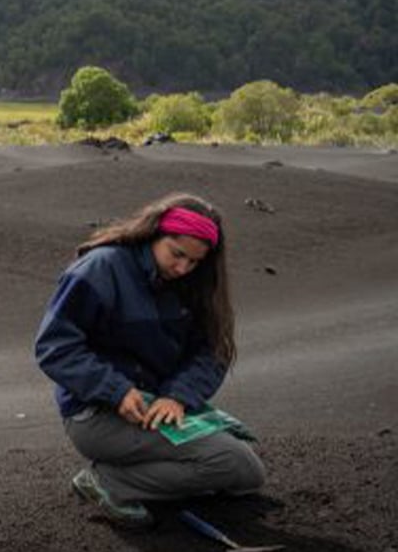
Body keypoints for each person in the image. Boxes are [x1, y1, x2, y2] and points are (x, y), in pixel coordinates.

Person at [34, 192, 264, 528]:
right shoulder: (101, 268)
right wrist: (116, 391)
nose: (183, 268)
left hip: (156, 405)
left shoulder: (195, 282)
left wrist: (178, 396)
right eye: (177, 254)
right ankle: (108, 483)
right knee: (233, 463)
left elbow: (211, 351)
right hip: (97, 413)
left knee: (246, 474)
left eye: (194, 262)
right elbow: (55, 346)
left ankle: (131, 472)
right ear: (155, 233)